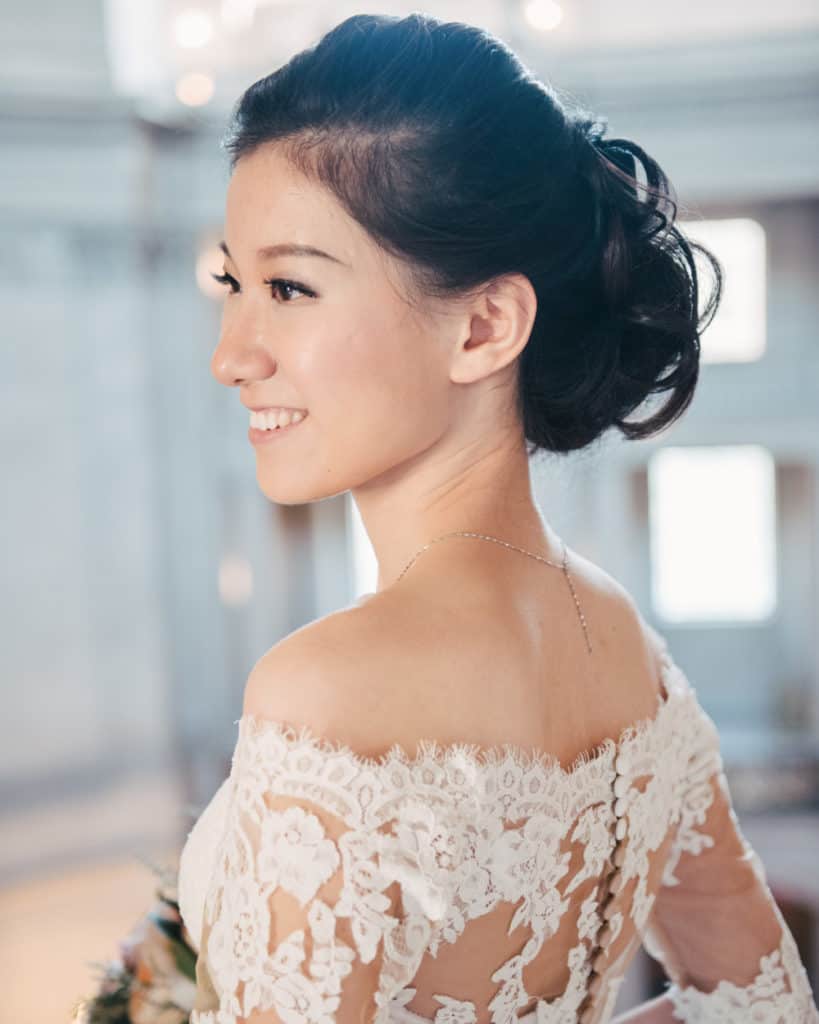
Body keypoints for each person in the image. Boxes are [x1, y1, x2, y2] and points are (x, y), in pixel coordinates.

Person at [177, 11, 819, 1024]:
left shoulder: (325, 690)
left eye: (290, 287)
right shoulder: (626, 649)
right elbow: (766, 1000)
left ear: (483, 326)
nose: (232, 352)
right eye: (234, 285)